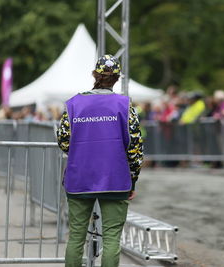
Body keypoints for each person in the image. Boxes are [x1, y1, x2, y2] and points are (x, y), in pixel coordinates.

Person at [56, 54, 143, 267]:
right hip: (115, 179)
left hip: (79, 178)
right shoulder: (124, 105)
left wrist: (82, 152)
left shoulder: (74, 104)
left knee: (76, 236)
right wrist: (133, 179)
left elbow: (64, 140)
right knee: (112, 238)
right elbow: (135, 146)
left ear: (95, 75)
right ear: (116, 78)